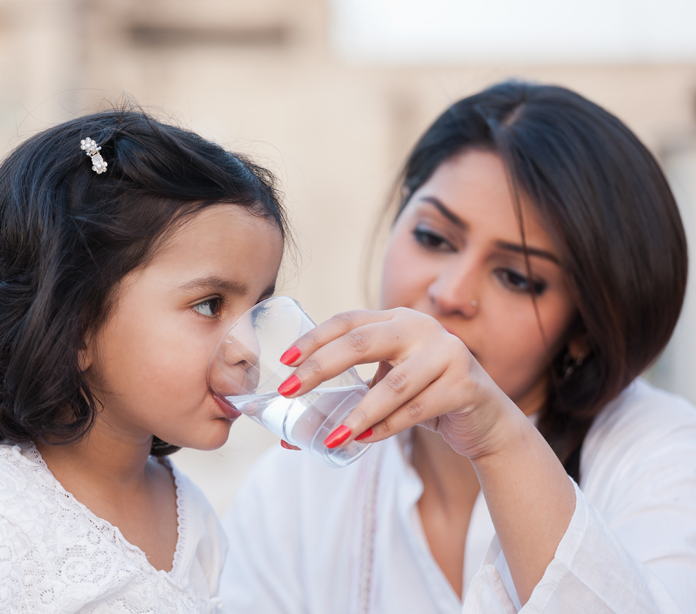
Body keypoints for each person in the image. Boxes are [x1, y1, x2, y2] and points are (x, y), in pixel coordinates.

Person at [221, 81, 696, 613]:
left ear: (584, 327)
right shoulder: (296, 489)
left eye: (516, 277)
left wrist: (498, 438)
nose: (449, 292)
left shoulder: (662, 456)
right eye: (434, 238)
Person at [0, 109, 286, 613]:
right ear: (76, 321)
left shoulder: (187, 508)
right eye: (209, 304)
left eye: (258, 313)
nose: (249, 348)